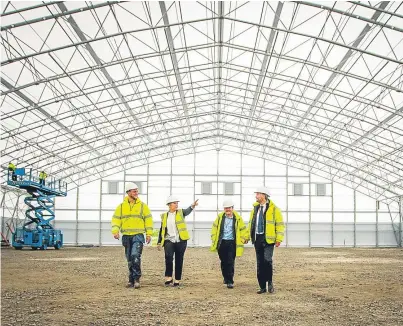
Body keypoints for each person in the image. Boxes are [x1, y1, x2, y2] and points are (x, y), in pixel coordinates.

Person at [111, 182, 153, 289]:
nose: (136, 193)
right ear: (128, 192)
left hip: (138, 235)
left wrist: (149, 234)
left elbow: (148, 220)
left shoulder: (143, 206)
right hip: (126, 236)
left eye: (137, 191)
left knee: (135, 256)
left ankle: (136, 279)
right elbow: (116, 220)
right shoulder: (121, 207)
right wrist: (115, 231)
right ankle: (131, 279)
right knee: (129, 258)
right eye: (134, 191)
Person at [248, 186, 285, 294]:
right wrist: (246, 237)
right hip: (257, 238)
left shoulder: (274, 209)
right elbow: (251, 224)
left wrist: (279, 238)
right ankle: (262, 286)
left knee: (267, 260)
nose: (256, 196)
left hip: (268, 239)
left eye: (258, 194)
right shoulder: (255, 208)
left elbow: (279, 225)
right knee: (260, 263)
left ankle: (270, 282)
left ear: (264, 195)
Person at [157, 196, 199, 287]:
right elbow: (162, 229)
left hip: (181, 240)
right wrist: (159, 242)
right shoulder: (164, 216)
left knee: (179, 259)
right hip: (169, 240)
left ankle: (177, 279)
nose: (176, 205)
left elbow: (187, 211)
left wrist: (192, 205)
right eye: (174, 203)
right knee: (168, 257)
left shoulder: (180, 212)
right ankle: (169, 277)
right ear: (169, 205)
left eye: (177, 203)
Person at [210, 199, 248, 289]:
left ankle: (230, 281)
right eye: (226, 208)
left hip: (232, 243)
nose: (227, 210)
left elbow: (243, 229)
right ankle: (225, 277)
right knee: (223, 261)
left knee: (230, 261)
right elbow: (214, 228)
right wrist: (213, 238)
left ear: (232, 208)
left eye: (229, 208)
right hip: (221, 242)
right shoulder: (220, 217)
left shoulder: (238, 218)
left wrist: (245, 238)